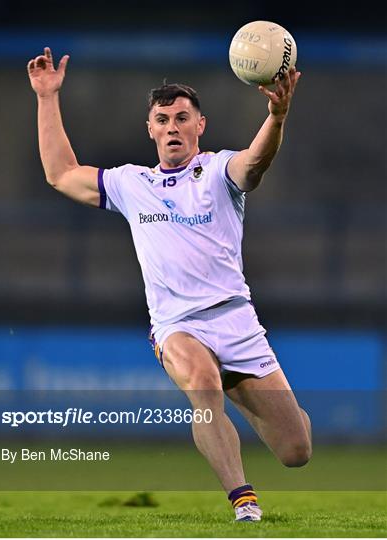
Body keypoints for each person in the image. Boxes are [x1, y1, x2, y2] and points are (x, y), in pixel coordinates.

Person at [27, 47, 312, 522]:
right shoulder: (131, 183)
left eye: (183, 117)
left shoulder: (219, 172)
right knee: (202, 385)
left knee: (296, 450)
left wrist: (277, 117)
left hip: (236, 319)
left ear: (201, 125)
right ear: (151, 129)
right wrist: (47, 98)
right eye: (163, 119)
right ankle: (244, 500)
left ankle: (255, 404)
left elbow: (254, 163)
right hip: (177, 324)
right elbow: (60, 175)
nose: (173, 126)